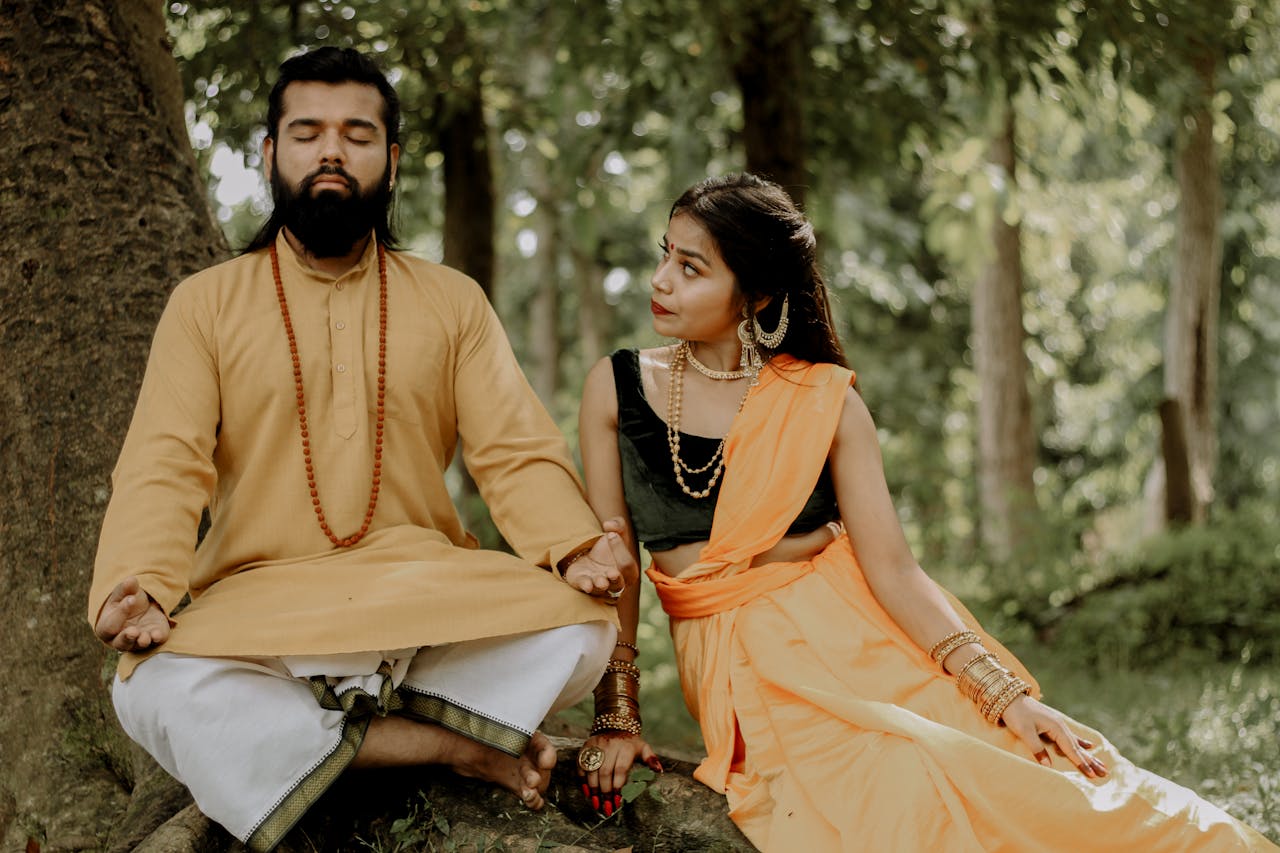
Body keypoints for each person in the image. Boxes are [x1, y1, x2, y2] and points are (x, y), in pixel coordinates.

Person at [572, 172, 1277, 851]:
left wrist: (1004, 695)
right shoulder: (620, 387)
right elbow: (617, 569)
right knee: (902, 786)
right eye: (665, 255)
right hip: (748, 666)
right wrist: (617, 711)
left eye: (691, 267)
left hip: (863, 638)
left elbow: (895, 570)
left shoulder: (824, 399)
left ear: (756, 293)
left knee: (1022, 778)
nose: (662, 280)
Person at [88, 47, 637, 852]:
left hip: (421, 604)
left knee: (581, 623)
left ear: (393, 159)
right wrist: (140, 582)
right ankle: (450, 741)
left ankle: (327, 736)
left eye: (357, 134)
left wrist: (571, 541)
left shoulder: (450, 299)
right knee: (150, 686)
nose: (332, 152)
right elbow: (163, 462)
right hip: (263, 612)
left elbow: (515, 448)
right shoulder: (205, 304)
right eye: (307, 133)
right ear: (270, 155)